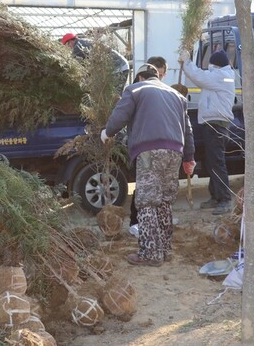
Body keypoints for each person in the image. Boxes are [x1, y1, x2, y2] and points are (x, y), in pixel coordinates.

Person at [101, 63, 195, 266]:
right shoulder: (176, 95)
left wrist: (107, 132)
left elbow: (120, 116)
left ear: (141, 77)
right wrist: (189, 157)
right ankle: (165, 250)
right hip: (175, 151)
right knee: (164, 202)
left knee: (145, 202)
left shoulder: (135, 89)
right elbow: (187, 129)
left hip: (149, 151)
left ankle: (150, 253)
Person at [178, 48, 236, 215]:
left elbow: (199, 77)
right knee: (212, 163)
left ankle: (225, 199)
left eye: (211, 64)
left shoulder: (221, 76)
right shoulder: (220, 76)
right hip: (213, 125)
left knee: (217, 163)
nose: (209, 67)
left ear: (216, 65)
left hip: (216, 126)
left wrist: (187, 62)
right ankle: (216, 196)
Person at [128, 56, 172, 238]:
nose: (160, 79)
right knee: (144, 187)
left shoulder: (159, 92)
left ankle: (153, 223)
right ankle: (135, 222)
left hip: (155, 145)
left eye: (162, 75)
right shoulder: (136, 91)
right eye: (158, 74)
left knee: (156, 187)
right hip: (144, 145)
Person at [61, 32, 130, 90]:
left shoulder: (78, 47)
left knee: (114, 94)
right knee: (110, 94)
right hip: (118, 66)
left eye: (67, 46)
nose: (68, 48)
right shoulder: (83, 42)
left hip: (118, 67)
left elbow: (77, 66)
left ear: (70, 42)